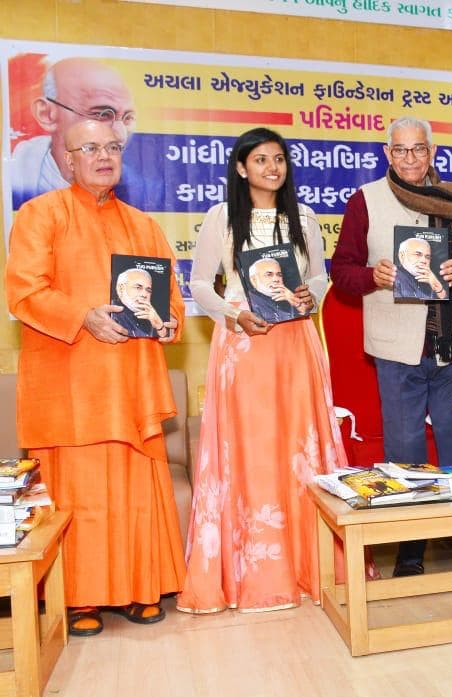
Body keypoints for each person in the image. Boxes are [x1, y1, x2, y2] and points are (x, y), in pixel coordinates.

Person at [6, 119, 184, 636]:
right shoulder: (40, 215)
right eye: (90, 148)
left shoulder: (143, 225)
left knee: (132, 491)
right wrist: (83, 315)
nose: (103, 156)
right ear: (65, 157)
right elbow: (24, 292)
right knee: (78, 494)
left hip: (131, 384)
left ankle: (138, 588)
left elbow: (167, 298)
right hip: (71, 382)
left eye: (112, 147)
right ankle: (77, 597)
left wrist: (167, 319)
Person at [177, 127, 360, 614]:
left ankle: (313, 568)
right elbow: (198, 283)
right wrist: (233, 313)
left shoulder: (302, 215)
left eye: (278, 159)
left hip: (294, 342)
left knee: (299, 448)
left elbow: (319, 275)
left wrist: (310, 295)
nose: (272, 168)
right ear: (241, 168)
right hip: (244, 343)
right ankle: (257, 575)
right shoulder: (221, 217)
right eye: (260, 160)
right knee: (253, 449)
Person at [331, 116, 452, 576]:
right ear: (387, 154)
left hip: (449, 345)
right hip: (396, 347)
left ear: (432, 151)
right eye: (400, 151)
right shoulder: (364, 201)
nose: (409, 159)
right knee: (403, 446)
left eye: (417, 149)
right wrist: (371, 276)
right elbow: (342, 272)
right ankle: (409, 547)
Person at [9, 57, 142, 207]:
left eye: (128, 118)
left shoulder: (140, 209)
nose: (120, 135)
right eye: (102, 114)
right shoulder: (17, 178)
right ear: (46, 114)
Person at [245, 257, 305, 321]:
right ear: (254, 280)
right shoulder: (249, 302)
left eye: (279, 275)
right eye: (269, 275)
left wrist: (296, 302)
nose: (276, 279)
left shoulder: (287, 296)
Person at [111, 267, 165, 337]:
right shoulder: (111, 314)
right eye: (138, 288)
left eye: (148, 290)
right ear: (121, 289)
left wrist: (158, 324)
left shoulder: (148, 318)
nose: (144, 295)